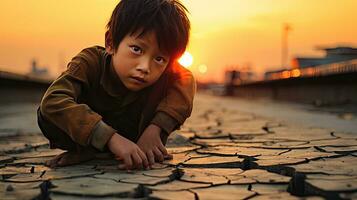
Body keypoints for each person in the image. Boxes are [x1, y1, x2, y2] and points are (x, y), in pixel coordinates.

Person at [37, 0, 195, 170]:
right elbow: (52, 101)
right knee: (48, 116)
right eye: (136, 49)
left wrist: (155, 129)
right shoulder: (90, 61)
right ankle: (92, 149)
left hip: (134, 134)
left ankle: (112, 151)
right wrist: (110, 138)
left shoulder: (163, 73)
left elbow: (187, 78)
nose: (145, 67)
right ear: (111, 43)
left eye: (159, 58)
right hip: (91, 134)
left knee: (176, 88)